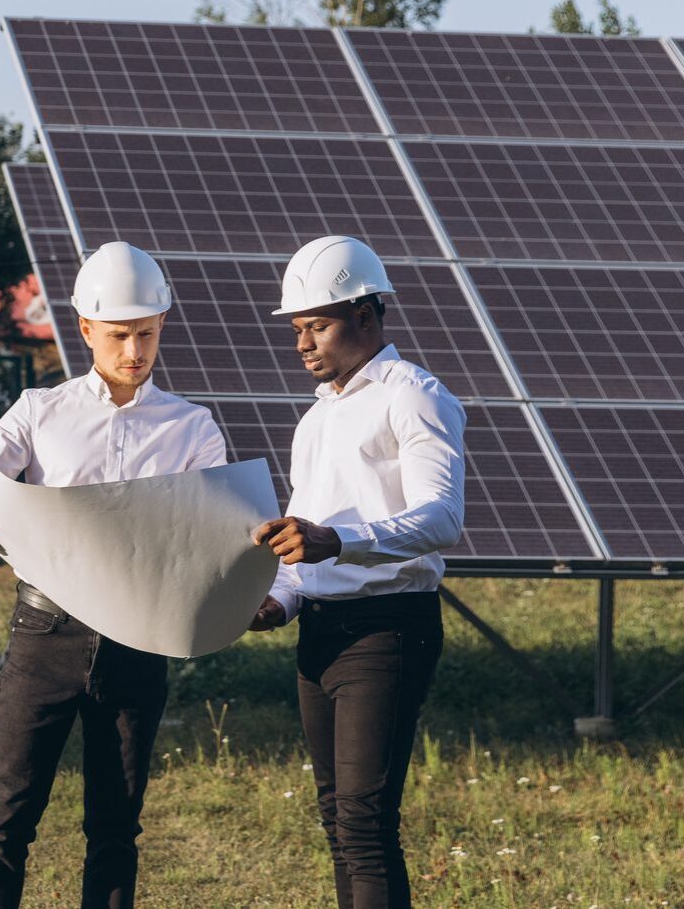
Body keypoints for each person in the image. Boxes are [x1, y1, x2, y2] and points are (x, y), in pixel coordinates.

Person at [0, 242, 227, 909]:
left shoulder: (192, 429)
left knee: (115, 829)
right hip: (42, 637)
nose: (134, 350)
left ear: (162, 327)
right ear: (86, 330)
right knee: (7, 821)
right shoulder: (39, 412)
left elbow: (211, 532)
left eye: (147, 334)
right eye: (120, 335)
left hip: (136, 641)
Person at [247, 235, 465, 909]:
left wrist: (337, 541)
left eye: (316, 325)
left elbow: (441, 518)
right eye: (296, 328)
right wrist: (276, 603)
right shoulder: (317, 417)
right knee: (338, 820)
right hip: (320, 632)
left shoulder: (415, 396)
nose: (302, 343)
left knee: (365, 823)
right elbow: (299, 541)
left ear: (366, 314)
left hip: (388, 629)